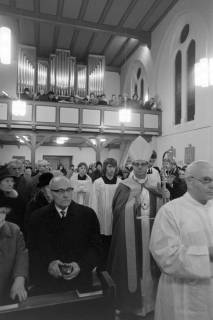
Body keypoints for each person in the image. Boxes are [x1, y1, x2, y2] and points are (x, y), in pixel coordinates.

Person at [107, 136, 170, 317]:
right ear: (131, 166)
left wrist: (166, 196)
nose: (140, 167)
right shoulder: (124, 187)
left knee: (151, 269)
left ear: (148, 165)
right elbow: (117, 212)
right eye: (137, 164)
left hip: (152, 236)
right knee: (133, 269)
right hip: (130, 239)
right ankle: (131, 305)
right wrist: (131, 205)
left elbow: (166, 212)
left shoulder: (155, 186)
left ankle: (151, 304)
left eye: (143, 164)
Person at [150, 160, 213, 320]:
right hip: (184, 297)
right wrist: (207, 254)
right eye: (206, 180)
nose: (212, 185)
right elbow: (165, 256)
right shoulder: (170, 212)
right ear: (190, 181)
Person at [28, 176, 102, 294]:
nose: (66, 195)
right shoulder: (37, 217)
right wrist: (48, 264)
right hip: (49, 283)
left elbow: (96, 247)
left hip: (80, 281)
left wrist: (81, 265)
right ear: (51, 193)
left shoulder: (88, 215)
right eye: (60, 191)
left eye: (69, 190)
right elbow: (32, 249)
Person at [89, 158, 121, 270]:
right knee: (103, 244)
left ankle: (113, 267)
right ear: (105, 168)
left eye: (114, 167)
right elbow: (94, 201)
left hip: (115, 217)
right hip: (102, 218)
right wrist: (94, 218)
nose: (112, 169)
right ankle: (101, 268)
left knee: (114, 243)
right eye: (109, 166)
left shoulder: (120, 182)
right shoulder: (98, 182)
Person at [0, 198, 28, 305]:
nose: (1, 216)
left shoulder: (14, 230)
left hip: (7, 293)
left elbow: (22, 255)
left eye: (2, 212)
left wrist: (19, 279)